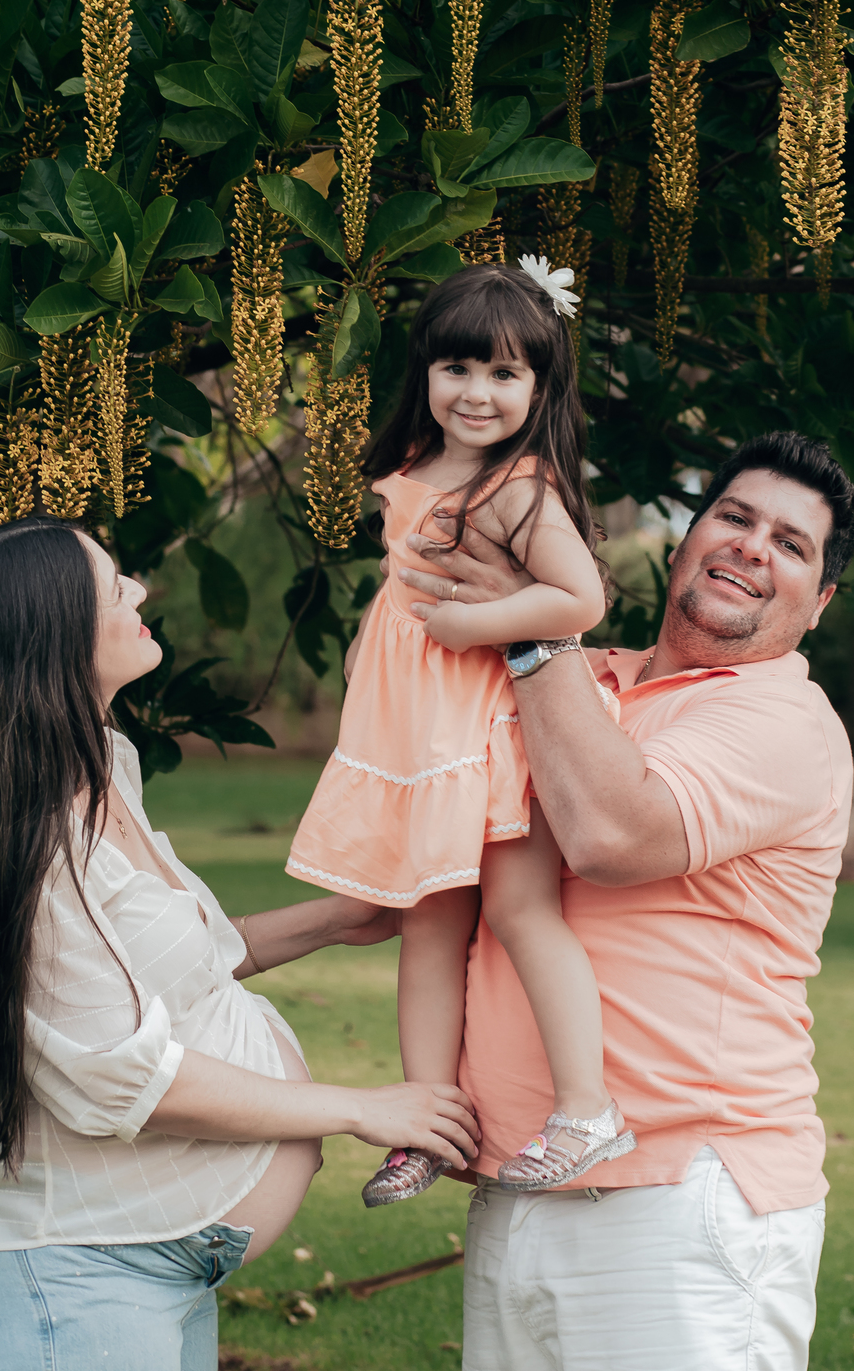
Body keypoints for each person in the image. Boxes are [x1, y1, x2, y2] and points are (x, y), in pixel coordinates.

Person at [0, 517, 478, 1371]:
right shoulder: (32, 855)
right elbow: (136, 1080)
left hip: (144, 1266)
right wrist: (358, 1108)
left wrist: (337, 920)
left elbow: (179, 966)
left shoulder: (102, 767)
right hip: (70, 1280)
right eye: (111, 587)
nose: (140, 590)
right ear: (47, 638)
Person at [394, 431, 854, 1371]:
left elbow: (612, 835)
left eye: (790, 544)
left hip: (680, 1200)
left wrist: (531, 629)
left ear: (820, 603)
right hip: (521, 1181)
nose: (751, 547)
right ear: (687, 539)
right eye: (734, 517)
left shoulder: (782, 717)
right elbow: (428, 862)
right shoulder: (582, 679)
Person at [287, 260, 637, 1207]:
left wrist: (472, 626)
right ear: (427, 371)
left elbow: (580, 599)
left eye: (504, 373)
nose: (477, 393)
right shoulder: (413, 471)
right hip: (427, 738)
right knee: (429, 927)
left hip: (500, 735)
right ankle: (428, 1121)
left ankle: (588, 1108)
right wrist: (372, 649)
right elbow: (407, 583)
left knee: (520, 911)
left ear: (540, 388)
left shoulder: (520, 489)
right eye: (459, 368)